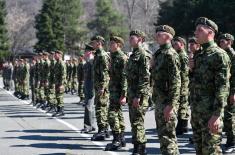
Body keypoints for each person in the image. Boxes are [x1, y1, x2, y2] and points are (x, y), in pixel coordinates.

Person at [191, 17, 230, 154]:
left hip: (210, 114)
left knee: (211, 151)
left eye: (199, 30)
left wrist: (217, 115)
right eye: (195, 30)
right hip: (197, 113)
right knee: (200, 151)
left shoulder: (219, 55)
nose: (196, 33)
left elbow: (222, 88)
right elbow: (196, 83)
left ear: (210, 33)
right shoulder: (199, 55)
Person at [152, 25, 181, 154]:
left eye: (160, 34)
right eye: (156, 33)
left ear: (169, 37)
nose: (157, 35)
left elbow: (176, 82)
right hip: (159, 100)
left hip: (167, 102)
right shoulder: (159, 53)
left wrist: (171, 105)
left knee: (168, 138)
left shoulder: (170, 54)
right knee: (163, 138)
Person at [126, 30, 151, 154]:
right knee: (133, 121)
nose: (130, 40)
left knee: (138, 121)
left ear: (140, 39)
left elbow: (145, 77)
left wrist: (138, 96)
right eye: (130, 38)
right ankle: (136, 146)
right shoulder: (133, 54)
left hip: (139, 95)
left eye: (133, 38)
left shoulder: (143, 54)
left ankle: (141, 148)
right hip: (132, 93)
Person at [105, 36, 127, 151]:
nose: (110, 45)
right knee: (118, 114)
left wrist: (124, 95)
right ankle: (121, 138)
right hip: (113, 90)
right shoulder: (112, 57)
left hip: (118, 91)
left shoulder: (122, 58)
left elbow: (124, 78)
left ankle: (116, 139)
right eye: (110, 43)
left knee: (112, 115)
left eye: (112, 43)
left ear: (119, 45)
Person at [90, 35, 110, 141]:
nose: (92, 44)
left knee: (100, 108)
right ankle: (105, 130)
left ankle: (102, 131)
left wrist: (102, 87)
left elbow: (105, 73)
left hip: (101, 87)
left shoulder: (102, 55)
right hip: (98, 86)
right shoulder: (97, 54)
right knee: (101, 108)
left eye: (93, 42)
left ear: (99, 43)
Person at [218, 33, 235, 153]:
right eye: (220, 41)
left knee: (230, 117)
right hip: (225, 89)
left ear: (230, 42)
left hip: (230, 90)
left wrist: (233, 93)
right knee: (226, 116)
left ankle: (232, 142)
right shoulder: (223, 53)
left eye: (223, 41)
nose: (221, 43)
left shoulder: (232, 55)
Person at [172, 36, 190, 135]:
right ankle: (183, 125)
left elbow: (184, 72)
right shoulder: (178, 54)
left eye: (176, 44)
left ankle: (182, 126)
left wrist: (182, 85)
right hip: (181, 83)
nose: (174, 45)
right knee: (182, 105)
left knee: (182, 105)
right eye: (173, 43)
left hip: (183, 83)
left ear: (182, 45)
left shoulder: (182, 56)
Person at [81, 43, 96, 133]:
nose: (84, 53)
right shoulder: (87, 62)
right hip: (87, 85)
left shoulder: (92, 61)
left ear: (90, 52)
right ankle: (92, 125)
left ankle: (88, 126)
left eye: (86, 51)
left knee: (88, 106)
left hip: (91, 86)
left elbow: (94, 76)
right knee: (90, 106)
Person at [52, 50, 66, 117]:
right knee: (57, 97)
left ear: (60, 55)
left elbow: (63, 74)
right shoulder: (56, 63)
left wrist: (62, 84)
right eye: (54, 54)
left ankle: (61, 111)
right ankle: (58, 110)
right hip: (57, 82)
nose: (54, 56)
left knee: (60, 97)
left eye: (56, 54)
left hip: (60, 83)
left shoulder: (61, 63)